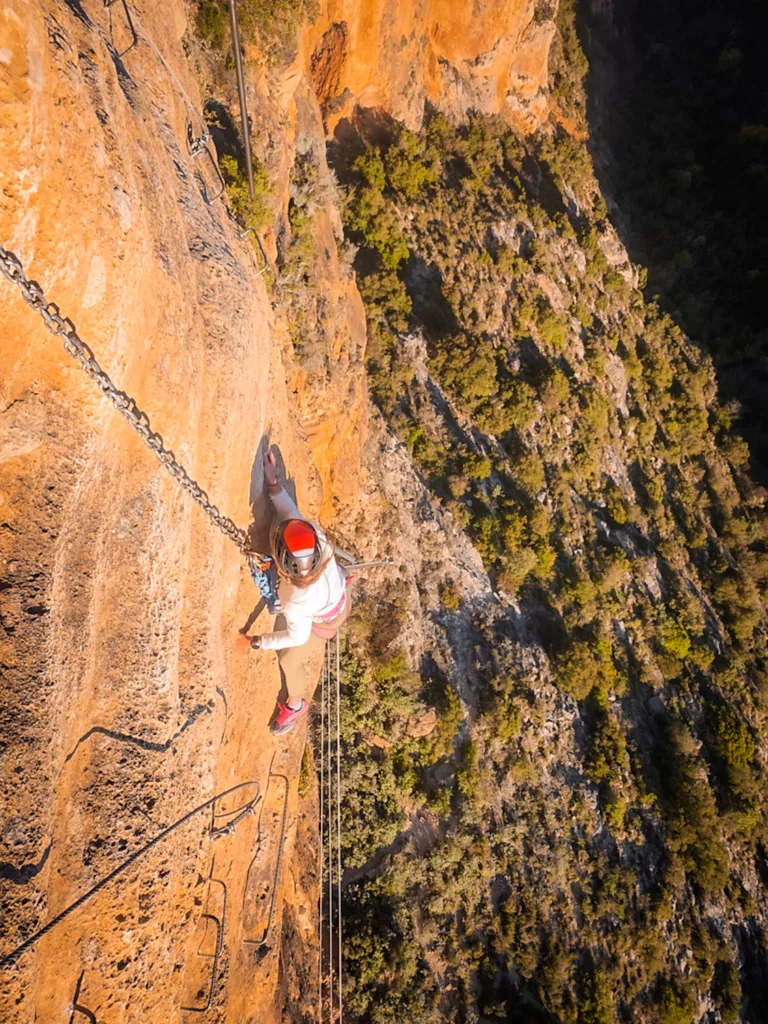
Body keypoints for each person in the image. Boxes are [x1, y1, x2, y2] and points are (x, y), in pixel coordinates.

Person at [244, 449, 350, 735]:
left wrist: (258, 641)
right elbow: (292, 515)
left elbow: (297, 636)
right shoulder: (314, 536)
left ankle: (295, 704)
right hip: (336, 593)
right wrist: (273, 483)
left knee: (288, 659)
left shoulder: (295, 599)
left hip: (326, 619)